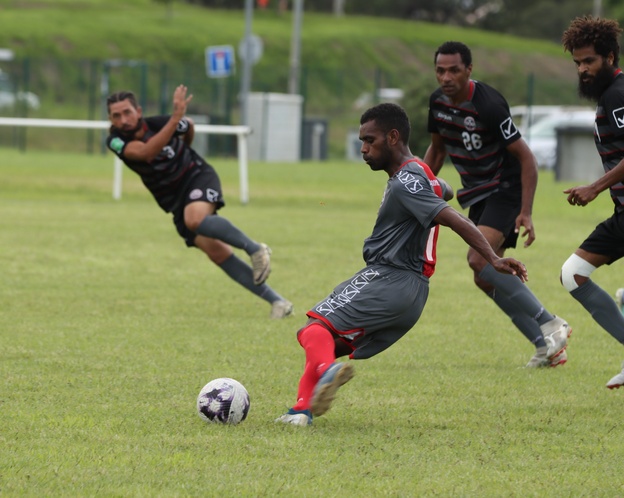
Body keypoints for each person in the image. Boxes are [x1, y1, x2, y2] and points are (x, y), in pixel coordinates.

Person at [275, 103, 530, 426]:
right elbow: (445, 190)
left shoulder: (405, 181)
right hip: (412, 294)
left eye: (370, 141)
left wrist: (493, 257)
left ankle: (327, 374)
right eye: (362, 142)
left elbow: (451, 216)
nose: (364, 149)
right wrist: (438, 187)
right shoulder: (418, 173)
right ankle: (300, 412)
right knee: (324, 341)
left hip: (390, 277)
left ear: (393, 137)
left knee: (315, 329)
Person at [423, 41, 571, 368]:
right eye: (440, 70)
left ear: (469, 70)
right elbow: (437, 150)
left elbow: (527, 158)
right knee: (485, 277)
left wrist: (526, 211)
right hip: (477, 193)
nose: (446, 77)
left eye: (454, 70)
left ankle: (551, 322)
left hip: (505, 187)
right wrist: (415, 185)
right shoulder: (437, 102)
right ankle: (547, 347)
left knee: (479, 259)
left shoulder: (488, 104)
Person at [105, 85, 293, 319]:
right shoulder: (115, 141)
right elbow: (144, 153)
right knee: (217, 253)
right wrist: (175, 120)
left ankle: (256, 249)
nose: (123, 120)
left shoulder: (160, 123)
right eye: (116, 115)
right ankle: (278, 302)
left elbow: (189, 125)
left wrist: (183, 140)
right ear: (110, 119)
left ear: (139, 111)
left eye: (127, 112)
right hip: (174, 200)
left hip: (197, 176)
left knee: (194, 219)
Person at [561, 16, 624, 389]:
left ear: (610, 57)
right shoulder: (610, 94)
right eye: (578, 63)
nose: (583, 70)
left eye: (589, 62)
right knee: (573, 273)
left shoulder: (617, 94)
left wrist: (595, 187)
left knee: (574, 274)